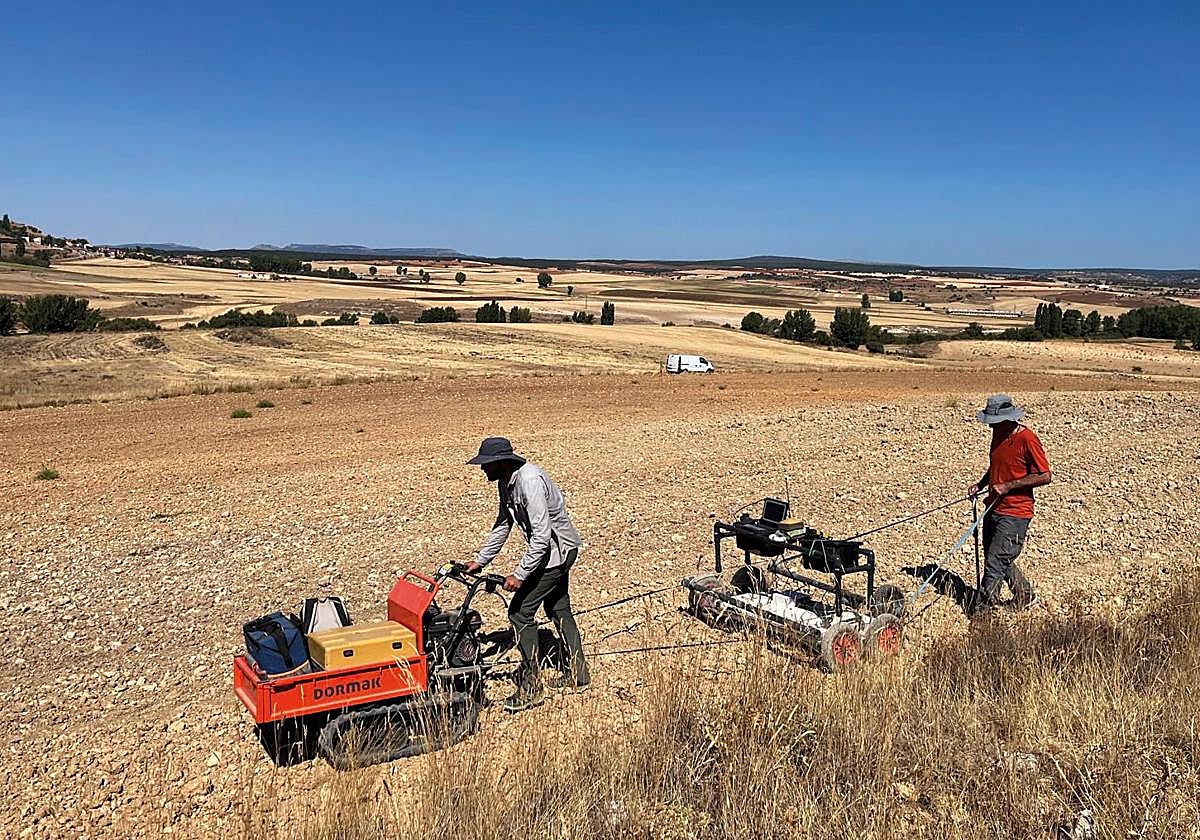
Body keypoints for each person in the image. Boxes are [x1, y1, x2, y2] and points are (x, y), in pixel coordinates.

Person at [464, 437, 589, 712]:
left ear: (501, 462)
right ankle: (579, 675)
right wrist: (480, 561)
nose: (483, 469)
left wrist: (520, 575)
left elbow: (542, 536)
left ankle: (532, 688)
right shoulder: (505, 482)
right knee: (558, 608)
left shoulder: (529, 481)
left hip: (557, 552)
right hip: (551, 552)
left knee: (520, 613)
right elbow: (503, 524)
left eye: (487, 464)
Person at [967, 394, 1051, 612]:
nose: (991, 426)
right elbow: (998, 465)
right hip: (994, 507)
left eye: (995, 422)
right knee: (995, 557)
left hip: (1016, 512)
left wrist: (1008, 486)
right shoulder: (998, 434)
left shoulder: (1027, 439)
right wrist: (981, 484)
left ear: (1008, 419)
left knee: (996, 562)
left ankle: (984, 614)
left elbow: (1045, 475)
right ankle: (1025, 595)